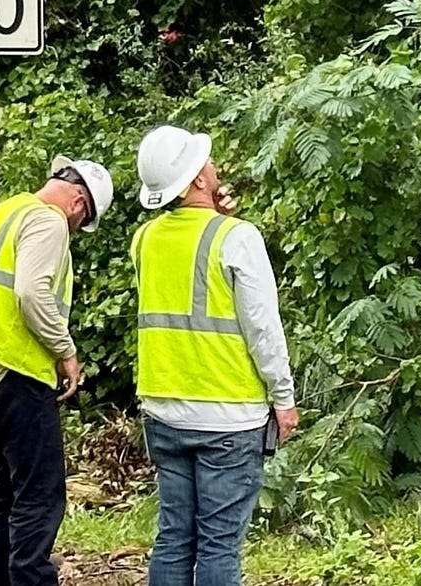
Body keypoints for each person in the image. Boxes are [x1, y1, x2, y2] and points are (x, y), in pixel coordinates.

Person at [130, 125, 296, 586]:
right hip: (228, 415)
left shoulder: (145, 239)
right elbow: (262, 326)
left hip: (163, 409)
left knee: (173, 538)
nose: (213, 164)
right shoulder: (237, 238)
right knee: (219, 544)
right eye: (206, 161)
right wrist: (283, 397)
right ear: (197, 180)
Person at [0, 156, 116, 586]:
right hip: (20, 373)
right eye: (82, 222)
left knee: (3, 493)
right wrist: (65, 351)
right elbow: (31, 293)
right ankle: (31, 580)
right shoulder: (48, 223)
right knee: (40, 495)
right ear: (79, 204)